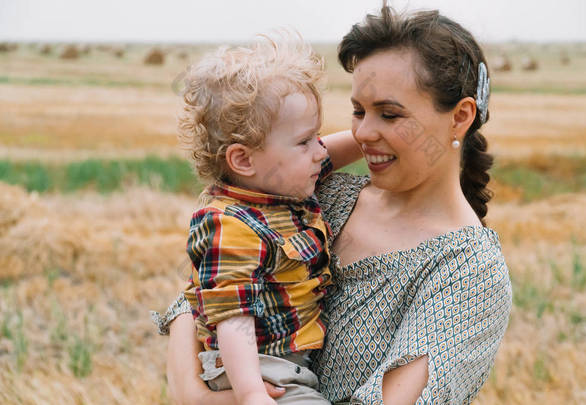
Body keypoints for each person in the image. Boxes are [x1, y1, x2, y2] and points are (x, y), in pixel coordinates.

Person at [154, 4, 512, 405]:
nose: (363, 132)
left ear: (460, 116)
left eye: (390, 114)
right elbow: (208, 287)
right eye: (358, 110)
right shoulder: (323, 196)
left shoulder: (469, 269)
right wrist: (192, 392)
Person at [152, 33, 363, 405]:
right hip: (262, 370)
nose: (320, 151)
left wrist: (375, 135)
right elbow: (234, 317)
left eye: (318, 137)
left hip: (287, 364)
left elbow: (337, 149)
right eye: (305, 141)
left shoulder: (280, 181)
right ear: (243, 160)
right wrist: (250, 393)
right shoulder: (232, 226)